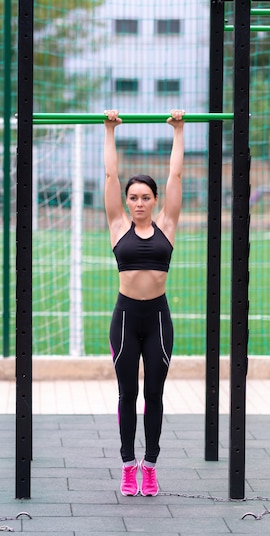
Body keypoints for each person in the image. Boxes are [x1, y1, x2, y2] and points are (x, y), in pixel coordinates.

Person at [103, 108, 185, 497]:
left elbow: (176, 177)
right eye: (133, 197)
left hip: (157, 321)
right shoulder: (117, 225)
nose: (138, 203)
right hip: (125, 319)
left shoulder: (167, 225)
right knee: (127, 395)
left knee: (154, 394)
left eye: (145, 197)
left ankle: (149, 466)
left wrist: (178, 131)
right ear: (127, 202)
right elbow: (110, 176)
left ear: (154, 201)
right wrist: (109, 132)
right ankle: (126, 466)